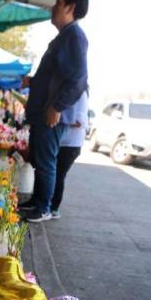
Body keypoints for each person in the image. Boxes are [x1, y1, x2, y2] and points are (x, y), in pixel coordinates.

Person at [20, 0, 89, 222]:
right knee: (41, 160)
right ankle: (37, 201)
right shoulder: (66, 36)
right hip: (43, 111)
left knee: (47, 162)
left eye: (59, 2)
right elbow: (54, 77)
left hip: (51, 113)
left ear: (70, 7)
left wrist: (57, 106)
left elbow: (78, 79)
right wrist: (33, 81)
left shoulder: (74, 37)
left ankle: (44, 208)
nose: (53, 7)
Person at [49, 90, 88, 219]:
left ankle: (54, 208)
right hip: (62, 142)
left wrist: (58, 116)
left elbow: (80, 122)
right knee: (53, 173)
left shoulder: (80, 93)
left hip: (71, 145)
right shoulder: (69, 92)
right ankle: (47, 204)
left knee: (58, 175)